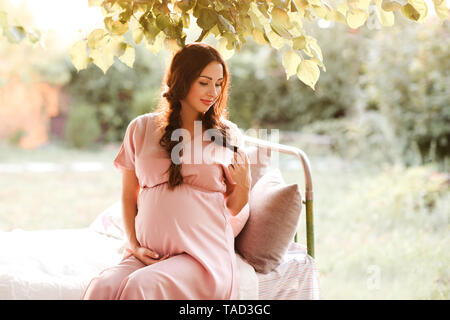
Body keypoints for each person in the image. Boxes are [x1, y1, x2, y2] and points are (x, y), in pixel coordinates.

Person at [82, 42, 251, 300]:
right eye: (204, 82)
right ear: (181, 81)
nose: (213, 92)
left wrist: (245, 184)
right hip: (149, 254)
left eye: (219, 83)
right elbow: (129, 196)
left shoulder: (226, 135)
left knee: (141, 287)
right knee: (101, 288)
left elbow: (234, 207)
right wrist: (135, 246)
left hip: (202, 257)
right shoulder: (140, 128)